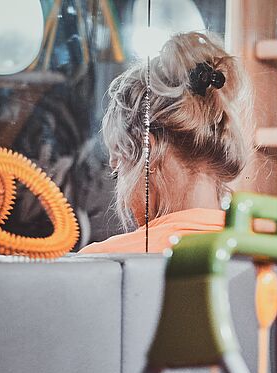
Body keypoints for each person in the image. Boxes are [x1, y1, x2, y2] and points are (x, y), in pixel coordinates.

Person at [79, 31, 253, 254]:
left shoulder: (106, 260)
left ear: (148, 151)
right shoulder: (272, 256)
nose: (121, 196)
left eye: (118, 170)